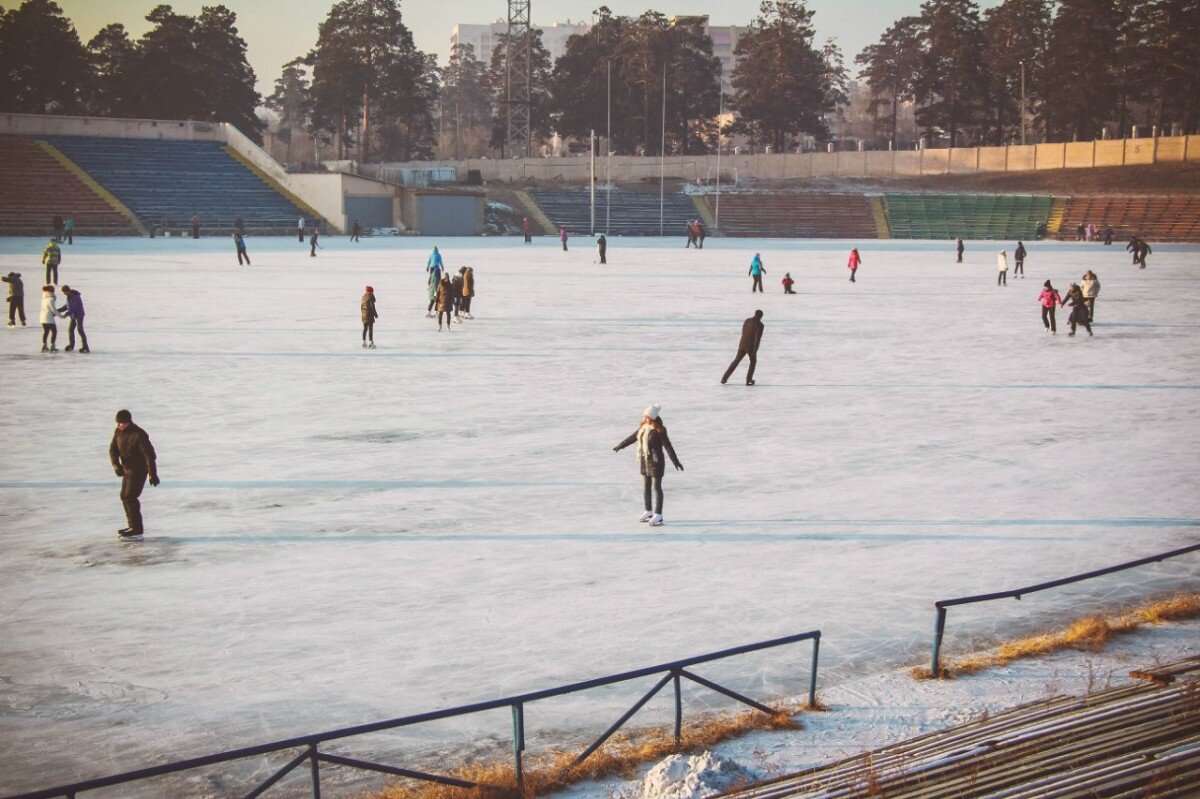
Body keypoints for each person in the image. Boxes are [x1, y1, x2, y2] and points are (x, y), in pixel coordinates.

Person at [612, 404, 683, 527]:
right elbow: (633, 438)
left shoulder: (659, 430)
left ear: (653, 417)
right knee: (646, 487)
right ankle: (648, 511)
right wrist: (620, 445)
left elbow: (667, 446)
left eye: (647, 417)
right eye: (644, 416)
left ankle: (658, 514)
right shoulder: (643, 428)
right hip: (645, 461)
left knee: (656, 488)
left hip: (656, 462)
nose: (645, 419)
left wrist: (675, 461)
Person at [109, 409, 160, 539]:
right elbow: (113, 449)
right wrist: (116, 465)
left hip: (138, 471)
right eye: (118, 423)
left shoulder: (139, 434)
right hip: (127, 470)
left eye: (121, 423)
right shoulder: (118, 432)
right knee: (124, 496)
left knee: (130, 497)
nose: (119, 425)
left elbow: (149, 455)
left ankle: (136, 529)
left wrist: (152, 474)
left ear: (128, 422)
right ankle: (132, 526)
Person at [721, 310, 765, 386]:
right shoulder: (759, 325)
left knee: (736, 361)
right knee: (753, 362)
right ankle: (749, 380)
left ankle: (724, 378)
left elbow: (744, 332)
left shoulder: (747, 321)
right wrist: (755, 350)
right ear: (760, 316)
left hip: (742, 344)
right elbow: (757, 339)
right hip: (751, 346)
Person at [55, 285, 88, 352]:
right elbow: (66, 307)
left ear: (67, 291)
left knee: (80, 330)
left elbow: (72, 309)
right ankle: (71, 345)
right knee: (70, 330)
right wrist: (56, 311)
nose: (64, 294)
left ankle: (85, 347)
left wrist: (65, 315)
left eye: (64, 292)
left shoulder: (75, 297)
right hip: (73, 316)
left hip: (79, 315)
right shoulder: (68, 297)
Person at [39, 285, 58, 352]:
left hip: (42, 318)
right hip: (49, 318)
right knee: (54, 331)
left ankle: (44, 345)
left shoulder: (44, 298)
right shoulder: (51, 299)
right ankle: (52, 346)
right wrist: (60, 315)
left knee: (46, 331)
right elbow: (53, 310)